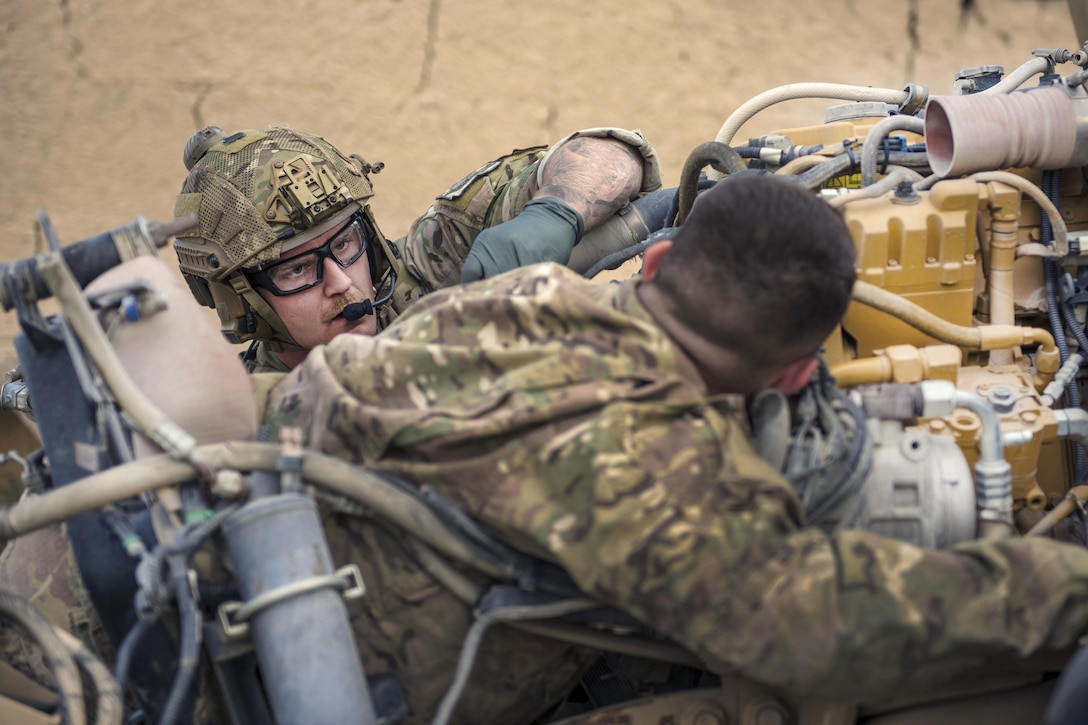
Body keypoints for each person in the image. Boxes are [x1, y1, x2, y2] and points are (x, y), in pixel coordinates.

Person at [256, 172, 1088, 723]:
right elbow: (817, 623)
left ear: (652, 262)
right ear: (799, 373)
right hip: (326, 683)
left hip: (269, 562)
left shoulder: (520, 298)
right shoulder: (660, 472)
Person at [172, 124, 663, 372]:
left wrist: (555, 211)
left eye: (346, 242)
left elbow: (609, 154)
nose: (342, 282)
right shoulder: (248, 416)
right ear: (242, 301)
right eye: (298, 271)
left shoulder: (429, 264)